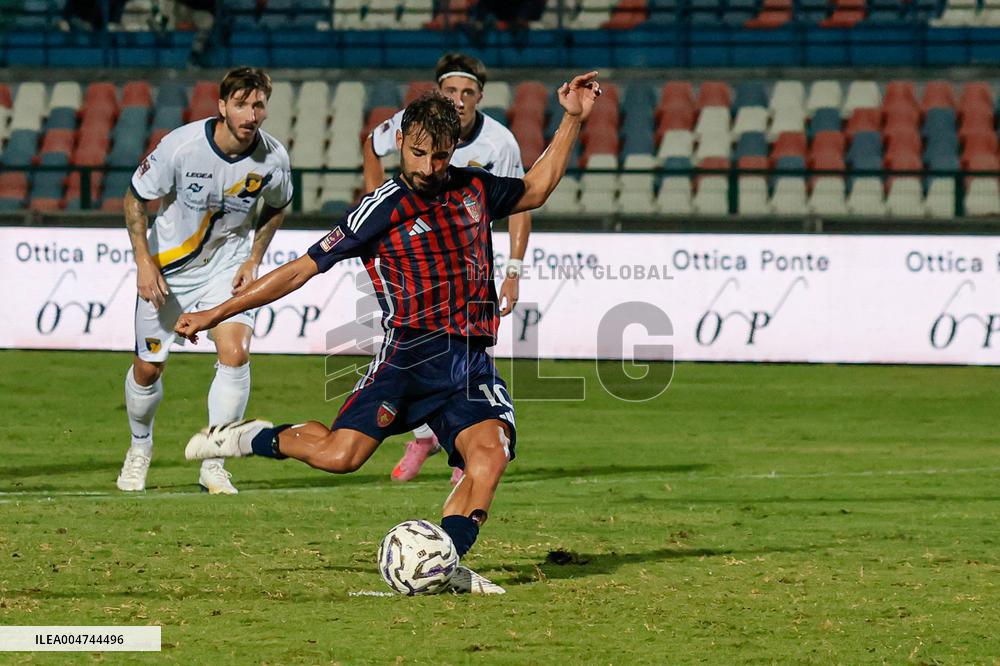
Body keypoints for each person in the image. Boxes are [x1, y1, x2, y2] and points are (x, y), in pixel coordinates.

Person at [175, 72, 602, 593]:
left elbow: (537, 187)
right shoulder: (383, 207)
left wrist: (574, 117)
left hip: (469, 361)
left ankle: (445, 561)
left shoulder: (473, 187)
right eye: (419, 153)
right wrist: (217, 312)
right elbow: (299, 269)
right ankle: (252, 436)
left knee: (490, 455)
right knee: (340, 457)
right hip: (409, 357)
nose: (428, 167)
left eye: (440, 155)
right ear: (400, 141)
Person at [117, 66, 292, 495]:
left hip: (224, 268)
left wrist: (253, 257)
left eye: (258, 105)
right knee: (147, 369)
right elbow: (136, 199)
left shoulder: (273, 158)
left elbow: (278, 205)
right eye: (241, 104)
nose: (251, 114)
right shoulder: (182, 146)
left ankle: (214, 461)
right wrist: (143, 261)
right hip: (168, 272)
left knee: (235, 352)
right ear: (222, 106)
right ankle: (140, 448)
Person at [363, 52, 533, 486]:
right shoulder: (412, 123)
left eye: (467, 92)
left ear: (480, 96)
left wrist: (513, 269)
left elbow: (522, 203)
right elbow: (372, 142)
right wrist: (375, 204)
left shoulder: (500, 143)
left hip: (469, 257)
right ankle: (425, 435)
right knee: (409, 339)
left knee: (466, 348)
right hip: (412, 253)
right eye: (451, 91)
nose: (458, 100)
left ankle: (460, 444)